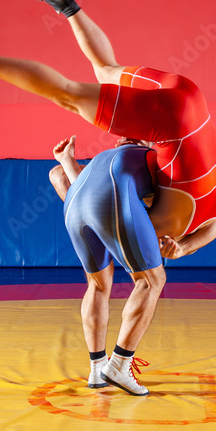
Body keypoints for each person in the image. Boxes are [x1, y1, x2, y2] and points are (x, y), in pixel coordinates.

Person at [0, 0, 216, 258]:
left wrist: (185, 248)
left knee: (106, 69)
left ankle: (65, 3)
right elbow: (94, 202)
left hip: (189, 95)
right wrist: (67, 165)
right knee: (69, 95)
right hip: (172, 121)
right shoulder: (160, 225)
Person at [48, 134, 162, 396]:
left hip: (75, 206)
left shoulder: (101, 159)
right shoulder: (152, 159)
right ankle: (120, 364)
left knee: (98, 284)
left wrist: (66, 161)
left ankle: (97, 367)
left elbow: (57, 175)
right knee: (151, 280)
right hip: (109, 201)